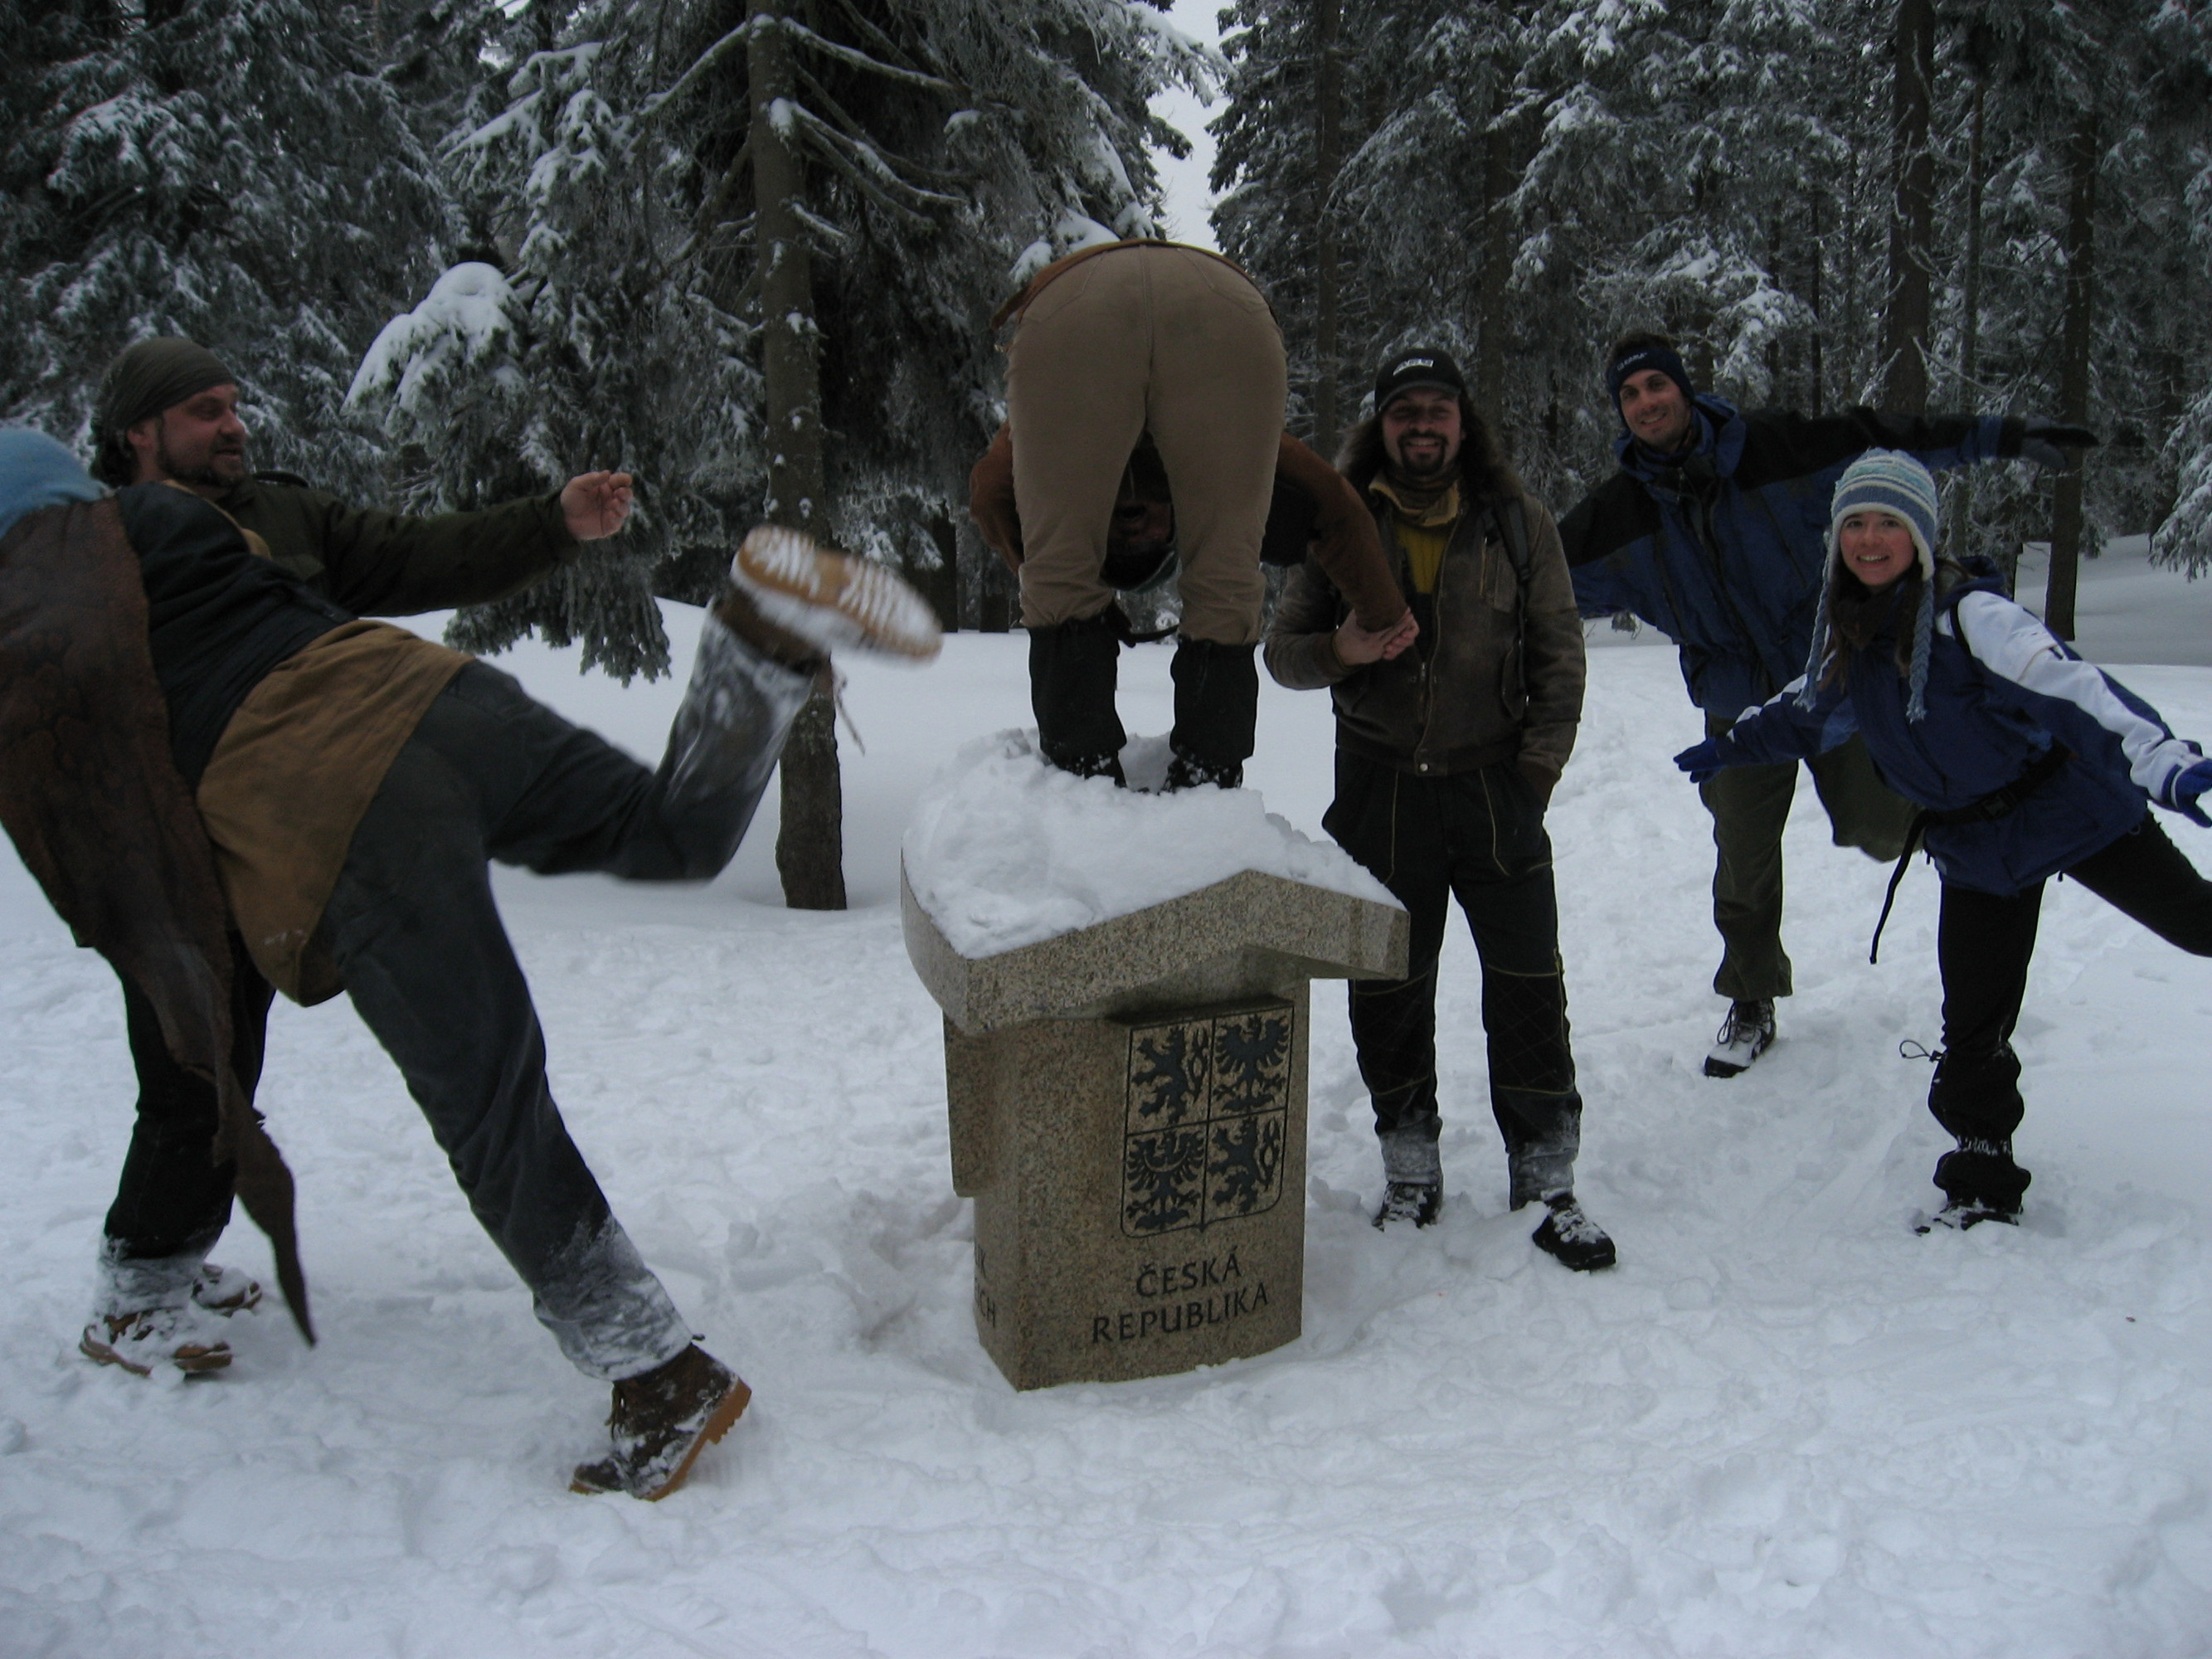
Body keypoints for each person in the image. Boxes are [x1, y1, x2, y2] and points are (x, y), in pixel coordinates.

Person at [0, 426, 941, 1496]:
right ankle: (758, 641)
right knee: (665, 830)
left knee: (488, 1101)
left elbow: (101, 830)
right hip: (422, 692)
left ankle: (657, 1374)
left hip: (332, 800)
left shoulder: (31, 622)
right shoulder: (166, 515)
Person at [84, 337, 631, 1355]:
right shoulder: (95, 552)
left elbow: (421, 553)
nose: (234, 424)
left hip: (288, 837)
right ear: (139, 432)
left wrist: (552, 523)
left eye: (233, 403)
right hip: (170, 854)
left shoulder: (285, 516)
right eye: (205, 410)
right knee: (192, 1070)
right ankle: (137, 1286)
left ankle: (167, 1258)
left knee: (231, 1063)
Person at [1675, 450, 2212, 1228]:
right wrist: (1734, 744)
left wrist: (2162, 762)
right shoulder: (1852, 635)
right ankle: (1982, 1172)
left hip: (2066, 809)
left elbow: (2074, 692)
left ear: (1921, 536)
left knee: (2197, 923)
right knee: (1972, 1023)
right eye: (1855, 523)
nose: (1868, 539)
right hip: (1976, 849)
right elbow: (1806, 710)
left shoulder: (1973, 618)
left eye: (1888, 523)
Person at [1559, 332, 2094, 1077]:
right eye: (1629, 394)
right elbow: (1528, 579)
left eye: (1656, 385)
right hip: (1738, 706)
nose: (1646, 402)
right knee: (1742, 858)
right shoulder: (1615, 517)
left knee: (1887, 824)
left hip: (1838, 677)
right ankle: (1750, 996)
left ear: (1683, 388)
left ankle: (2007, 869)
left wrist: (1999, 437)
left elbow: (1888, 442)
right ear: (1619, 411)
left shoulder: (1776, 450)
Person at [1264, 349, 1613, 1269]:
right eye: (1404, 411)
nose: (1422, 426)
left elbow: (1560, 656)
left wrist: (1533, 778)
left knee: (1528, 980)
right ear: (1380, 424)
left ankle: (1545, 1175)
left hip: (1495, 784)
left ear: (1464, 422)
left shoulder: (1516, 521)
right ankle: (1410, 1164)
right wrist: (1343, 650)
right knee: (1388, 984)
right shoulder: (1340, 520)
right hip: (1378, 789)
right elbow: (1282, 652)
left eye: (1437, 410)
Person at [986, 238, 1411, 789]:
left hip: (1076, 306)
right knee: (1224, 578)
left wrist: (1042, 576)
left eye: (1130, 533)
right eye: (1143, 537)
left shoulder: (1026, 449)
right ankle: (1205, 778)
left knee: (1061, 573)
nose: (1137, 528)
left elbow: (988, 494)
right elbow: (1336, 507)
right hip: (1220, 305)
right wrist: (1383, 612)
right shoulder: (1248, 457)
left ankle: (1083, 778)